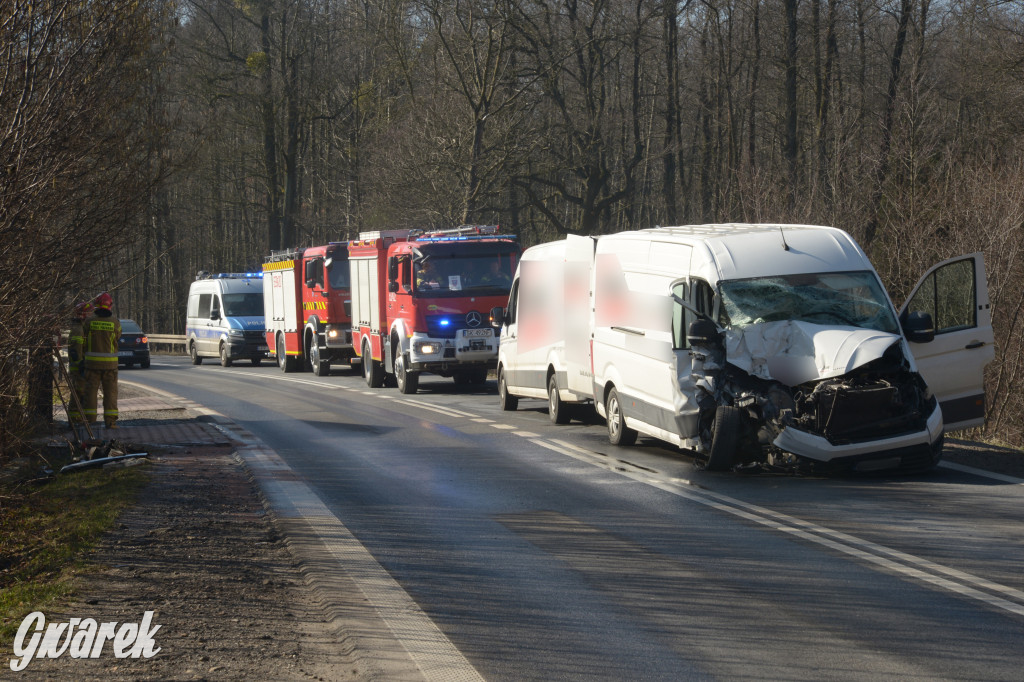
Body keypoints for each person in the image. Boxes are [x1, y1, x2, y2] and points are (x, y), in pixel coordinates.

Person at [83, 292, 122, 429]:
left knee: (91, 393)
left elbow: (83, 340)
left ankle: (89, 421)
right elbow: (117, 338)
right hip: (110, 366)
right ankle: (110, 422)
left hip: (91, 365)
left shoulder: (89, 322)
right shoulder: (115, 322)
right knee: (110, 394)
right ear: (109, 305)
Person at [67, 301, 92, 423]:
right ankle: (74, 421)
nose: (91, 315)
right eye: (89, 312)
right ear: (83, 314)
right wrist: (81, 365)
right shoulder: (78, 330)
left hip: (79, 368)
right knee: (78, 395)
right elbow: (75, 350)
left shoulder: (81, 328)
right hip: (78, 369)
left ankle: (76, 419)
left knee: (79, 395)